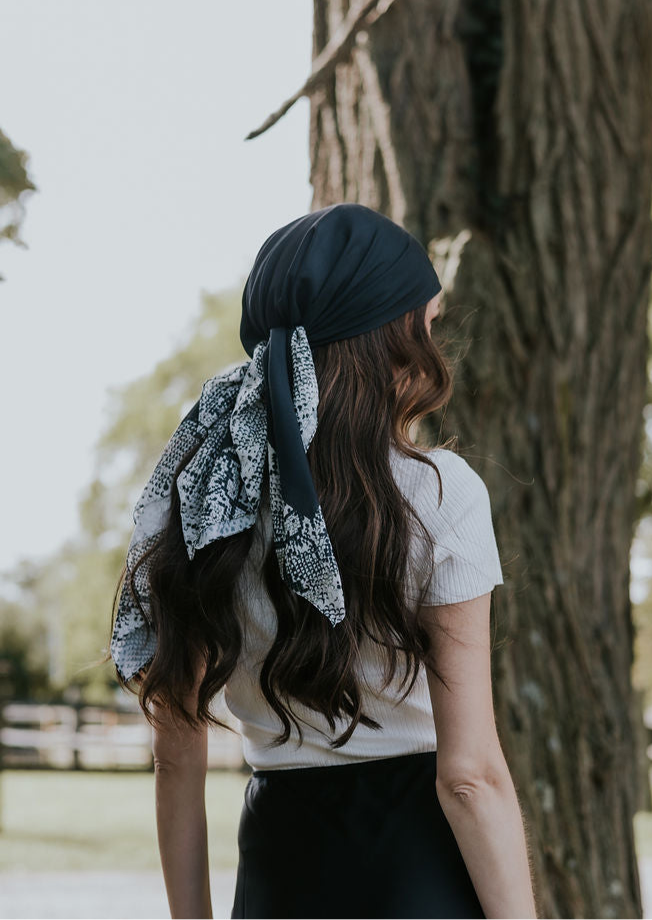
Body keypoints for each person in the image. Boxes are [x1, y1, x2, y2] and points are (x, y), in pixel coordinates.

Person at [107, 203, 539, 920]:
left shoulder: (208, 500)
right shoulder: (438, 492)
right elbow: (469, 779)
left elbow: (177, 753)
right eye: (426, 325)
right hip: (418, 873)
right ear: (392, 337)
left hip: (278, 870)